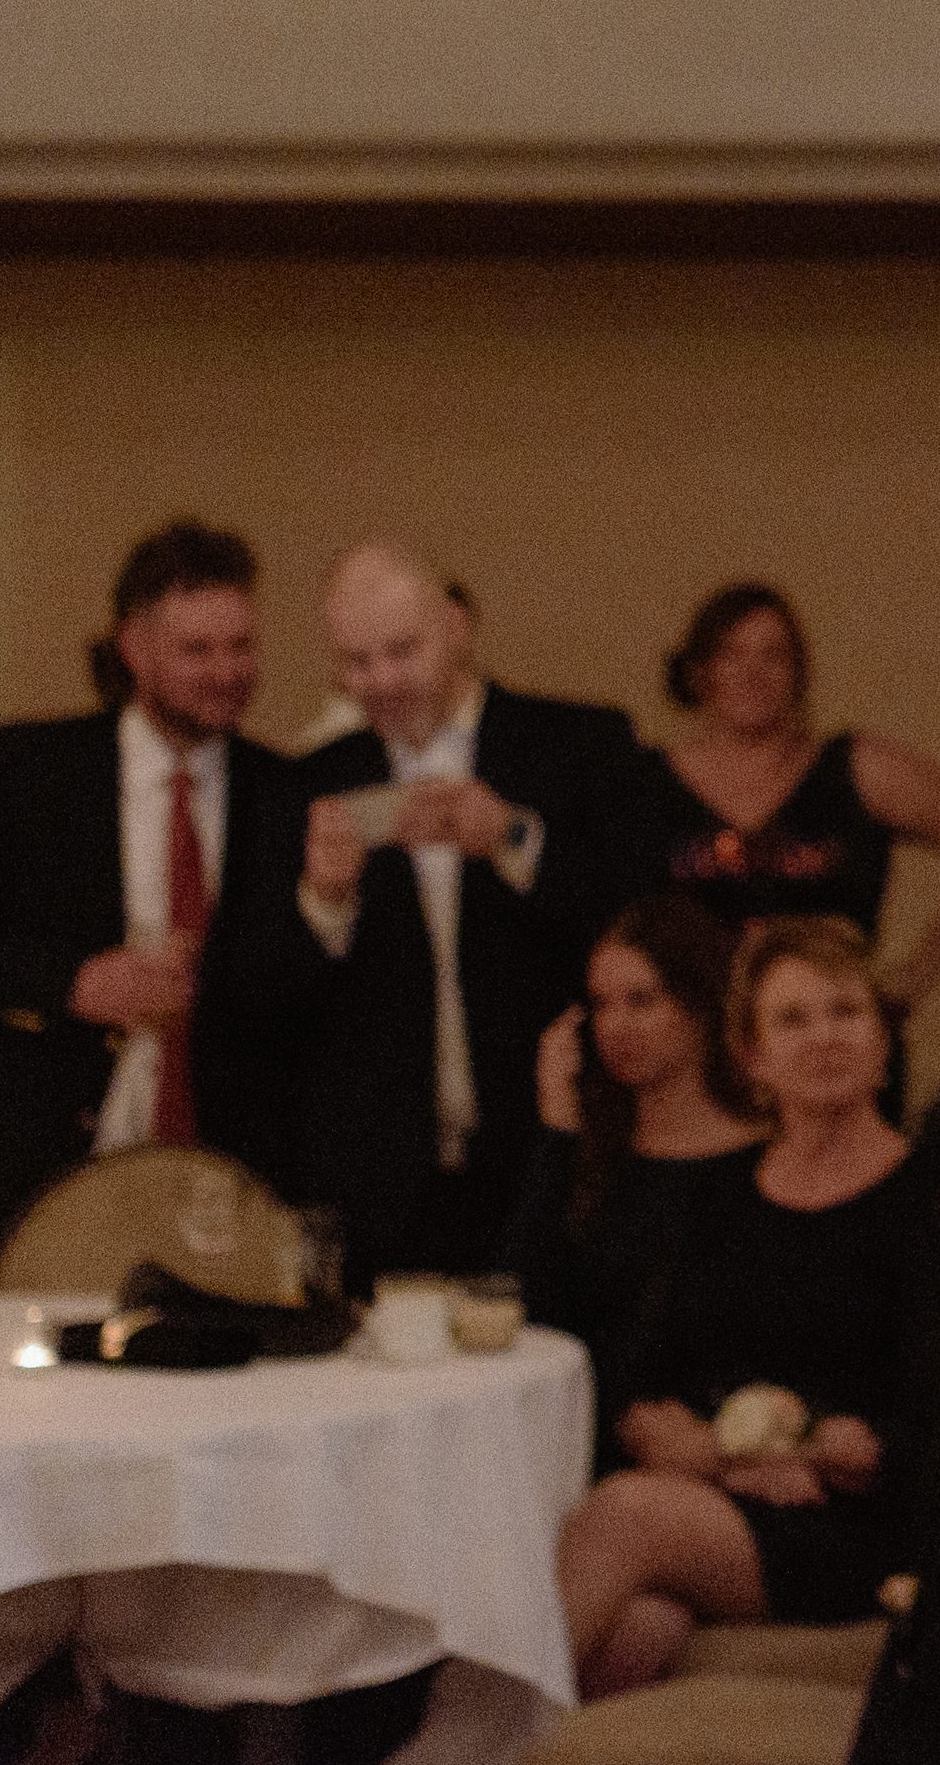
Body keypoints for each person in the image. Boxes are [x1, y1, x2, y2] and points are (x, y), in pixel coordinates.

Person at [559, 914, 940, 1698]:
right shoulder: (721, 1195)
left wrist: (805, 1452)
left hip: (853, 1526)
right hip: (718, 1499)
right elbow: (638, 1376)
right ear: (753, 1055)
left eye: (846, 1012)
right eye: (793, 1019)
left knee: (624, 1514)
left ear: (883, 1041)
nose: (824, 1037)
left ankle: (448, 1748)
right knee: (637, 1626)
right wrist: (697, 1446)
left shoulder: (933, 1205)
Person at [0, 522, 308, 1271]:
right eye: (198, 650)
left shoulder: (285, 791)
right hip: (44, 1168)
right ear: (134, 647)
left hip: (224, 1175)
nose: (227, 671)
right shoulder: (27, 768)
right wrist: (72, 982)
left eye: (241, 647)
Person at [257, 546, 654, 1278]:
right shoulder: (312, 783)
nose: (382, 681)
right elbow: (263, 1005)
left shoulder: (580, 744)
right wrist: (325, 900)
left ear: (456, 628)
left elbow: (637, 922)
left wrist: (514, 840)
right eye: (356, 662)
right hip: (380, 1182)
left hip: (549, 1151)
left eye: (401, 652)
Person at [510, 893, 762, 1454]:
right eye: (601, 1005)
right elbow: (525, 1306)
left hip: (723, 1440)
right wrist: (557, 1127)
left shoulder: (764, 1158)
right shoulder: (593, 1153)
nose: (615, 1026)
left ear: (699, 1005)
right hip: (585, 1432)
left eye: (641, 1001)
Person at [638, 584, 940, 974]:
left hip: (825, 1009)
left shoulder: (858, 769)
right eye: (731, 654)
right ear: (700, 670)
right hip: (689, 1013)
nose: (752, 674)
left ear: (798, 672)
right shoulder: (647, 782)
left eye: (773, 655)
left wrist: (911, 978)